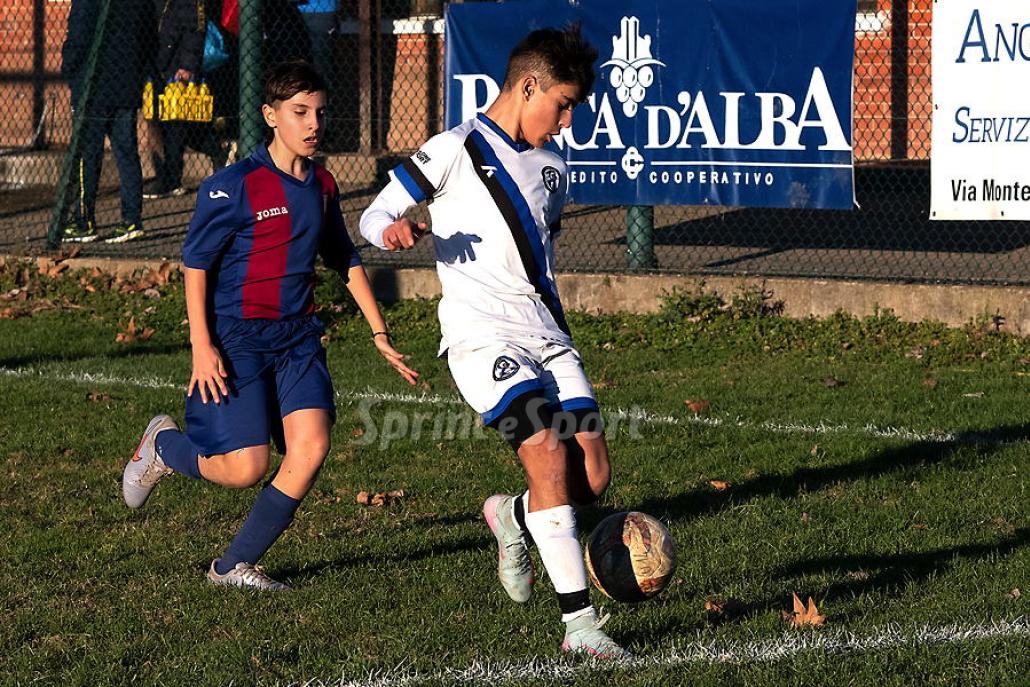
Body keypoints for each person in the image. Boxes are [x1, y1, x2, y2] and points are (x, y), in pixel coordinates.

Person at [358, 27, 629, 659]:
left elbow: (539, 261)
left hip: (548, 336)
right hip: (481, 338)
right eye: (562, 104)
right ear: (529, 86)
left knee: (591, 476)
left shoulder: (555, 168)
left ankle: (511, 515)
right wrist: (391, 230)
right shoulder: (452, 149)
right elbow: (373, 214)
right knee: (546, 451)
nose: (566, 122)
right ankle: (580, 627)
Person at [122, 60, 419, 591]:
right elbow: (196, 264)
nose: (313, 124)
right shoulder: (234, 185)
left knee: (311, 448)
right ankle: (164, 448)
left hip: (298, 338)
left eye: (320, 113)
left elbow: (343, 257)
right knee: (245, 468)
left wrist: (379, 332)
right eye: (300, 112)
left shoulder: (323, 184)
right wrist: (201, 345)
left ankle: (232, 566)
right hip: (237, 338)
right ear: (270, 115)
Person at [60, 0, 154, 244]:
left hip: (93, 87)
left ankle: (84, 221)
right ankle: (132, 219)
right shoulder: (138, 4)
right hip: (126, 84)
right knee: (127, 153)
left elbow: (78, 38)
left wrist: (70, 72)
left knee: (87, 154)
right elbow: (149, 38)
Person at [144, 0, 228, 199]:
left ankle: (172, 180)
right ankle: (217, 151)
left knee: (176, 125)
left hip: (177, 69)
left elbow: (195, 29)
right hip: (160, 64)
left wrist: (188, 65)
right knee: (175, 125)